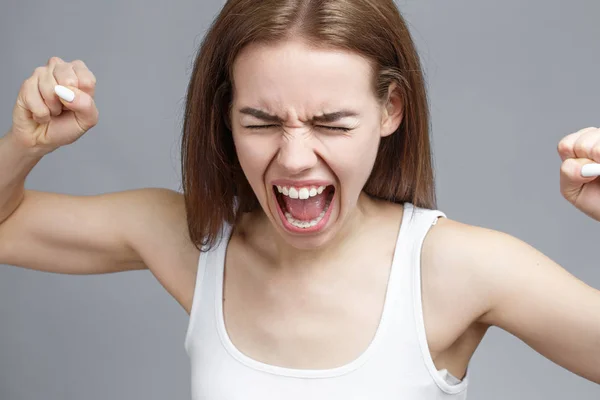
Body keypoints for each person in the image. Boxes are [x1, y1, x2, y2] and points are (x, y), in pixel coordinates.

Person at [1, 0, 599, 398]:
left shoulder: (456, 268)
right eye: (260, 121)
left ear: (390, 111)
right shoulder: (197, 244)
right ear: (225, 117)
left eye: (332, 123)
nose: (292, 158)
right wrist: (23, 145)